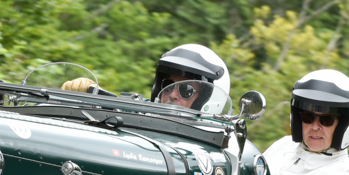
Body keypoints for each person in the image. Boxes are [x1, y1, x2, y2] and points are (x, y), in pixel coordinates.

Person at [61, 43, 230, 112]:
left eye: (186, 90)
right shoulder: (143, 113)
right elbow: (122, 107)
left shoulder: (221, 145)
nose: (172, 94)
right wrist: (89, 95)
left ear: (208, 100)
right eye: (169, 85)